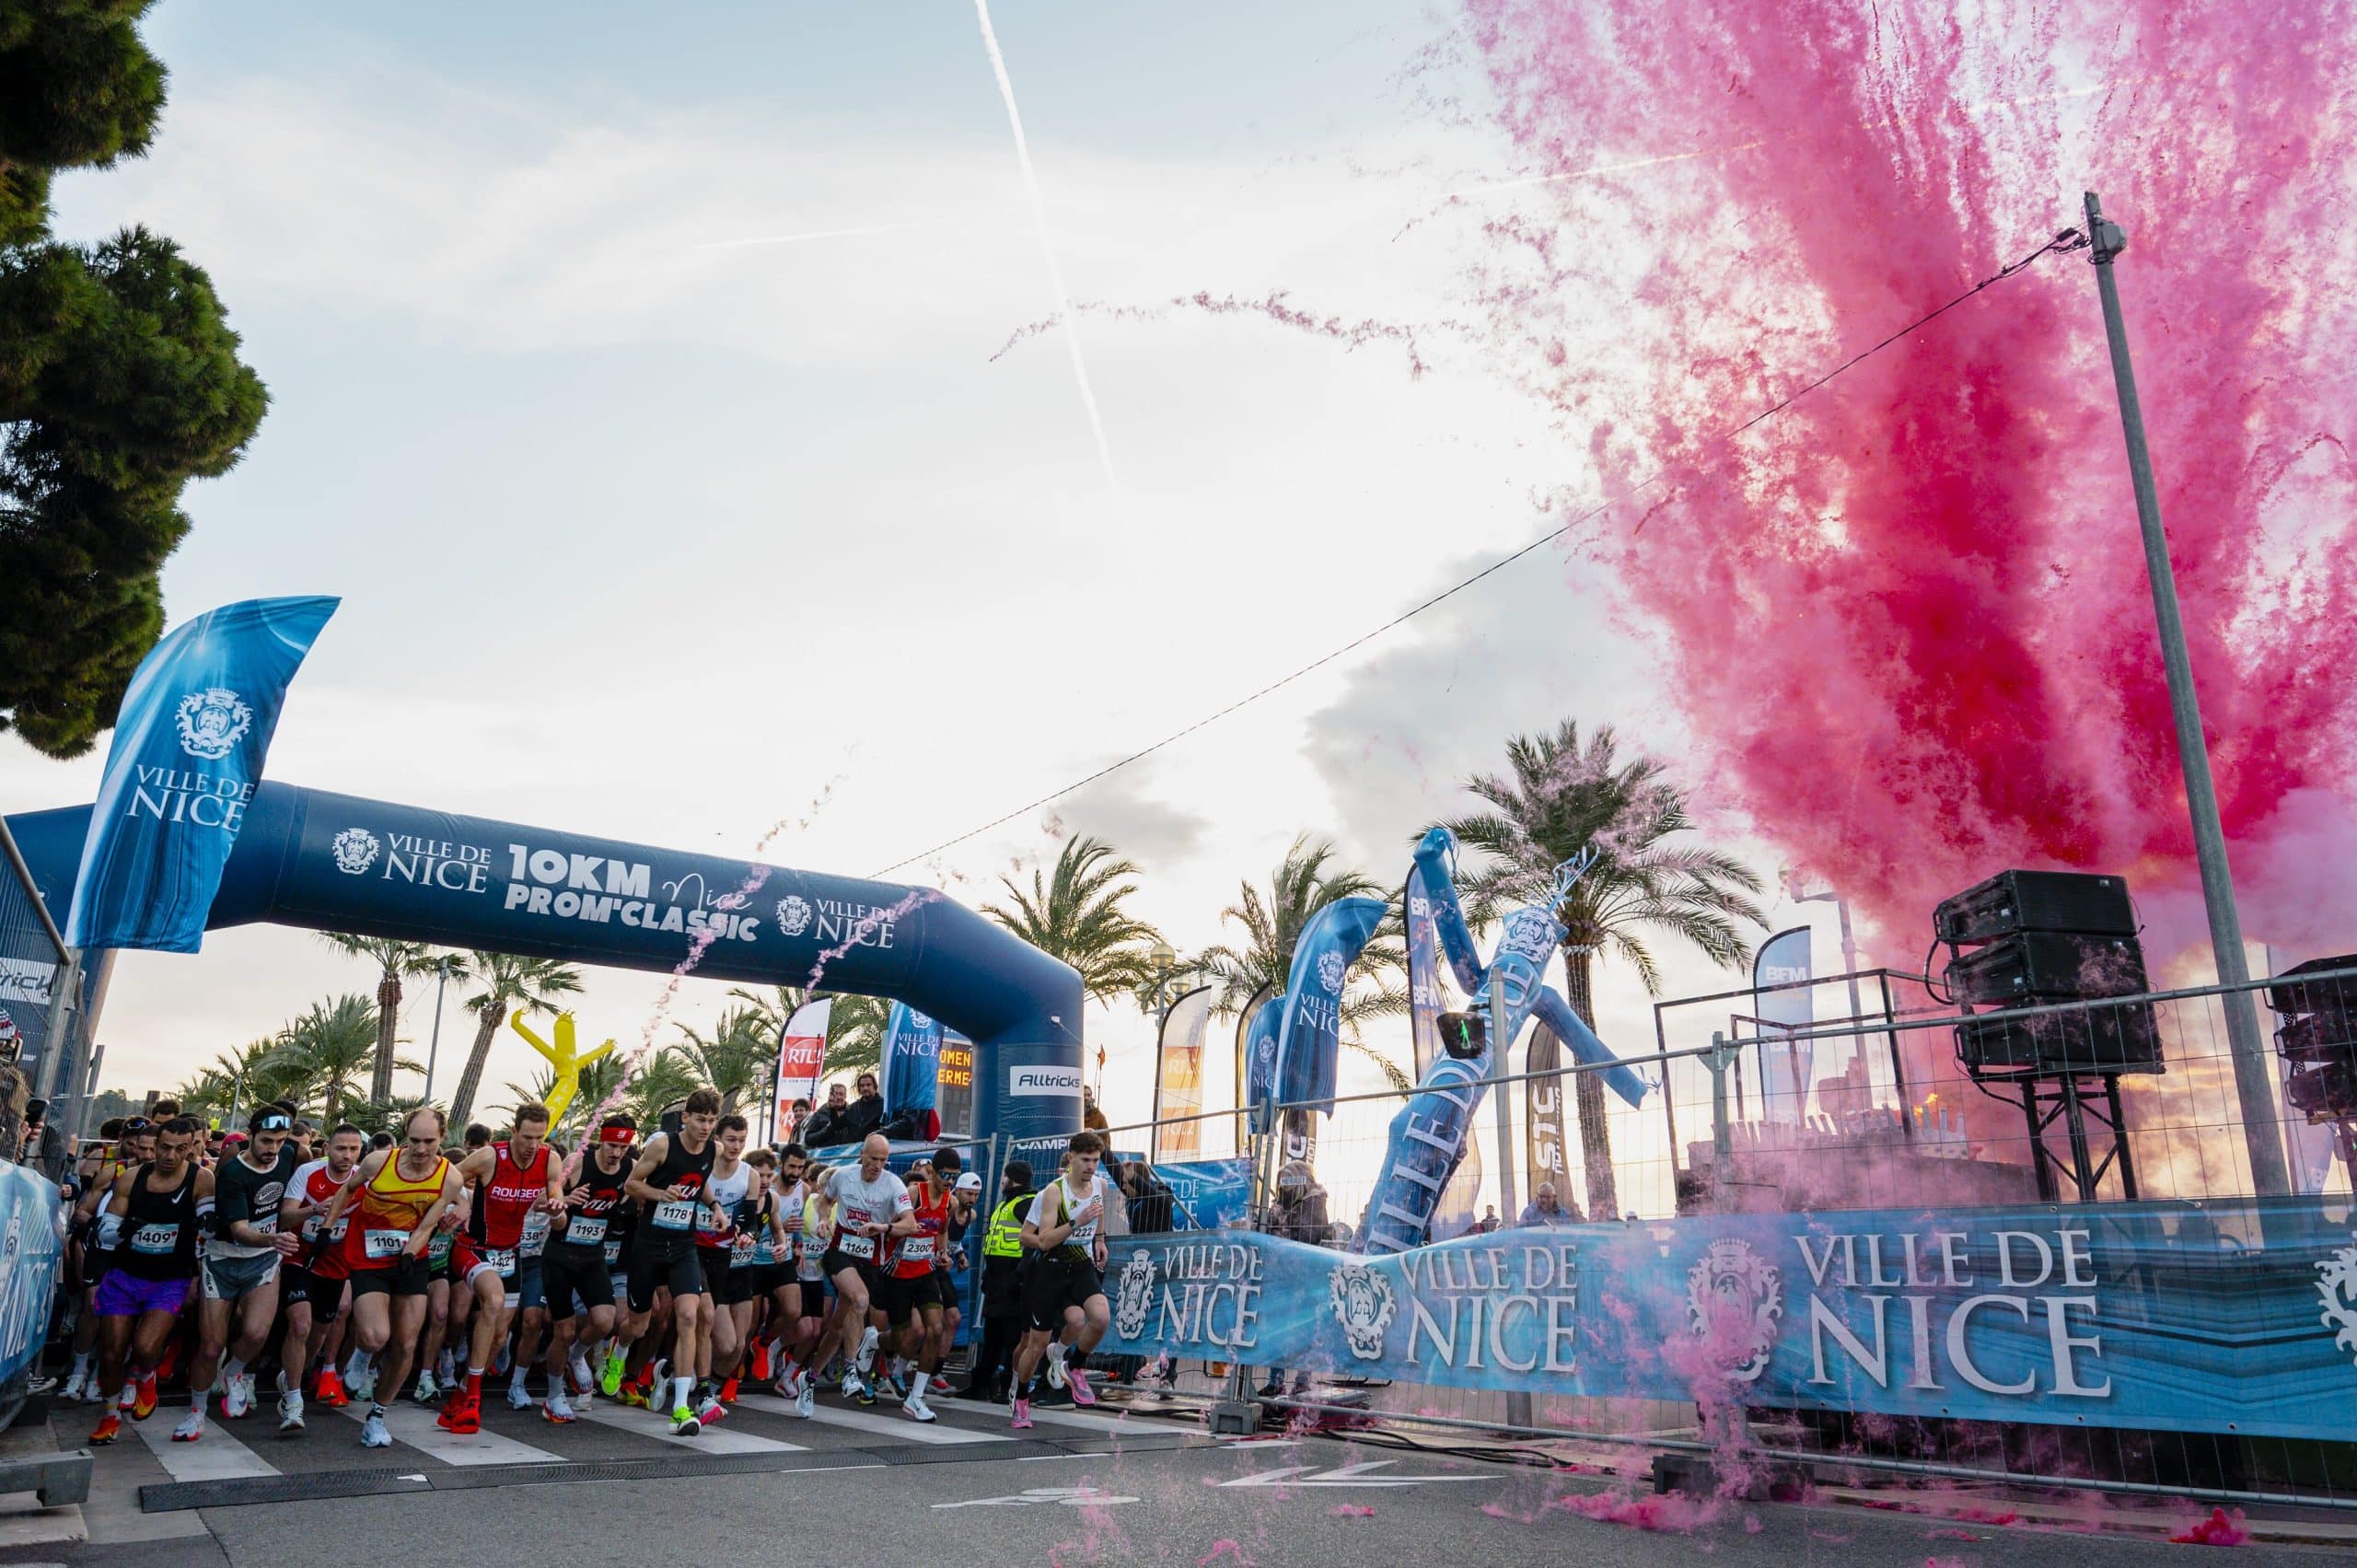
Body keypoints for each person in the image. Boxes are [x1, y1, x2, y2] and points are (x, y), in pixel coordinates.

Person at [319, 1106, 460, 1449]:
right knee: (374, 1335)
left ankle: (377, 1416)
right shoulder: (378, 1162)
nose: (421, 1149)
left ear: (442, 1138)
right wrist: (327, 1226)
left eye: (429, 1141)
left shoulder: (450, 1177)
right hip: (368, 1257)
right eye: (414, 1140)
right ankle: (363, 1355)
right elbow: (348, 1190)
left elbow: (429, 1223)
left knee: (406, 1343)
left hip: (411, 1256)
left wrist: (412, 1252)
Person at [180, 1101, 303, 1443]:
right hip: (222, 1259)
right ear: (250, 1136)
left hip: (263, 1260)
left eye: (279, 1142)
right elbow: (239, 1231)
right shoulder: (233, 1172)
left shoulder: (294, 1153)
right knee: (210, 1346)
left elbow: (305, 1172)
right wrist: (275, 1237)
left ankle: (234, 1371)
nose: (272, 1149)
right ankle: (197, 1413)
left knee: (255, 1334)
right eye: (265, 1141)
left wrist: (310, 1209)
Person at [86, 1117, 211, 1445]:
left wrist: (208, 1222)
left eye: (180, 1149)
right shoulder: (130, 1179)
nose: (170, 1155)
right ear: (154, 1147)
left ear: (191, 1148)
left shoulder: (201, 1179)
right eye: (164, 1148)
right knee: (112, 1352)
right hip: (125, 1275)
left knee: (144, 1347)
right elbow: (106, 1232)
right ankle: (110, 1415)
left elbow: (210, 1225)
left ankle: (145, 1375)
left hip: (169, 1278)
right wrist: (124, 1229)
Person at [446, 1102, 564, 1431]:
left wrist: (556, 1208)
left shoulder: (549, 1160)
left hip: (509, 1254)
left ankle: (458, 1396)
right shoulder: (489, 1157)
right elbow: (447, 1179)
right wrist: (463, 1204)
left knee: (499, 1338)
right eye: (527, 1136)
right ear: (513, 1131)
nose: (532, 1145)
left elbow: (560, 1219)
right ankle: (473, 1398)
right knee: (494, 1302)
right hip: (474, 1247)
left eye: (539, 1138)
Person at [621, 1087, 723, 1435]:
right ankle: (618, 1355)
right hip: (648, 1245)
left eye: (711, 1120)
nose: (706, 1127)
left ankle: (681, 1407)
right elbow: (631, 1184)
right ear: (686, 1118)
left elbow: (701, 1185)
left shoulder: (713, 1148)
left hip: (683, 1245)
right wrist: (659, 1194)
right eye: (700, 1119)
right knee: (637, 1325)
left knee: (689, 1316)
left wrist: (715, 1207)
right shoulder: (663, 1145)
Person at [800, 1132, 914, 1417]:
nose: (877, 1165)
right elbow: (824, 1201)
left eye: (883, 1160)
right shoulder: (843, 1176)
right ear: (862, 1155)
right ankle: (849, 1369)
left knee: (839, 1326)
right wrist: (825, 1220)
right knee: (860, 1301)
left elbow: (910, 1224)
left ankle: (809, 1377)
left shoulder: (893, 1184)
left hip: (871, 1259)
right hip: (840, 1251)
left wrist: (884, 1228)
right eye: (873, 1159)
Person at [1008, 1132, 1114, 1429]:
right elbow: (1041, 1240)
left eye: (1095, 1161)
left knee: (1099, 1318)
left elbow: (1098, 1211)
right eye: (1085, 1160)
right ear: (1071, 1158)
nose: (1091, 1167)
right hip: (1049, 1266)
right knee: (1036, 1344)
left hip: (1079, 1263)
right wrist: (1076, 1223)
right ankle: (1022, 1399)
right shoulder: (1053, 1193)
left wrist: (1100, 1239)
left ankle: (1074, 1365)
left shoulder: (1099, 1185)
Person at [540, 1112, 635, 1423]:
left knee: (606, 1321)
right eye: (610, 1146)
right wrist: (564, 1199)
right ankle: (554, 1396)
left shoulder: (630, 1169)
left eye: (622, 1148)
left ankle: (578, 1355)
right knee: (563, 1330)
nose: (615, 1154)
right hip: (560, 1254)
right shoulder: (579, 1162)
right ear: (601, 1141)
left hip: (592, 1255)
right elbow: (539, 1201)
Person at [279, 1121, 366, 1423]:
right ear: (327, 1148)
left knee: (316, 1336)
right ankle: (293, 1402)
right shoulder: (308, 1173)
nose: (347, 1155)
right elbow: (285, 1216)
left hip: (337, 1267)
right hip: (299, 1259)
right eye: (341, 1148)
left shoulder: (363, 1180)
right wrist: (315, 1211)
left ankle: (292, 1373)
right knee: (300, 1326)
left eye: (354, 1150)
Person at [687, 1112, 753, 1424]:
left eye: (741, 1140)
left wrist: (745, 1232)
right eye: (730, 1139)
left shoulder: (749, 1174)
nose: (736, 1146)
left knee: (729, 1344)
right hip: (691, 1252)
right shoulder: (703, 1163)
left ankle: (700, 1382)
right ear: (718, 1138)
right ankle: (698, 1390)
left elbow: (750, 1217)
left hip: (722, 1260)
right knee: (702, 1316)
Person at [797, 1084, 852, 1150]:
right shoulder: (820, 1113)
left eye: (841, 1094)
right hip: (825, 1157)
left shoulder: (851, 1112)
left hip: (848, 1156)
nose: (838, 1097)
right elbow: (808, 1139)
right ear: (830, 1096)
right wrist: (827, 1130)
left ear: (845, 1096)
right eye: (835, 1094)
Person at [839, 1074, 885, 1143]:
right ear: (859, 1089)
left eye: (868, 1085)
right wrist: (833, 1108)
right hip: (855, 1150)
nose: (865, 1088)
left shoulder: (884, 1106)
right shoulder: (852, 1108)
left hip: (875, 1149)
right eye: (862, 1086)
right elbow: (836, 1125)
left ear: (875, 1087)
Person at [1516, 1181, 1580, 1227]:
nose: (1544, 1200)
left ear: (1554, 1197)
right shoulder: (1529, 1213)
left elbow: (1569, 1233)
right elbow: (1520, 1233)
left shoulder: (1563, 1214)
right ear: (1537, 1197)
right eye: (1541, 1196)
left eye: (1548, 1197)